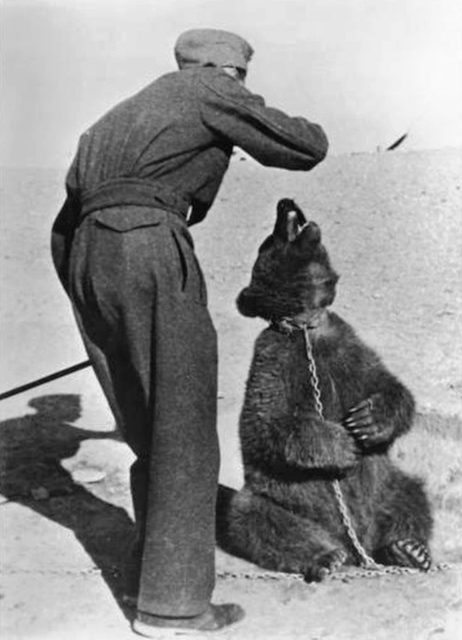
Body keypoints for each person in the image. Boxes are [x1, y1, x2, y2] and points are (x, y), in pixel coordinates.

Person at [51, 28, 329, 637]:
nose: (242, 86)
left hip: (89, 259)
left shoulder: (112, 120)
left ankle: (150, 574)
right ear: (226, 68)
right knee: (185, 420)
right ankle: (173, 609)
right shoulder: (207, 87)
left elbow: (64, 223)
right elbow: (304, 147)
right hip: (149, 242)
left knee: (150, 421)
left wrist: (94, 293)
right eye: (243, 77)